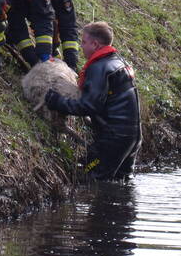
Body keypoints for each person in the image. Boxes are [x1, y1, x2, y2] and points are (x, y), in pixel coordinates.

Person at [45, 21, 141, 182]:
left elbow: (89, 106)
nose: (81, 46)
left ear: (95, 44)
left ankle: (101, 208)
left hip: (113, 140)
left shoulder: (99, 68)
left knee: (92, 180)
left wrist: (56, 101)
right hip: (133, 136)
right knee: (121, 182)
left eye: (83, 42)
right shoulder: (120, 62)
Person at [5, 0, 80, 70]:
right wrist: (30, 56)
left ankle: (51, 51)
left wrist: (71, 63)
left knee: (53, 22)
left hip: (44, 19)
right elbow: (17, 23)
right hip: (22, 12)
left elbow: (68, 27)